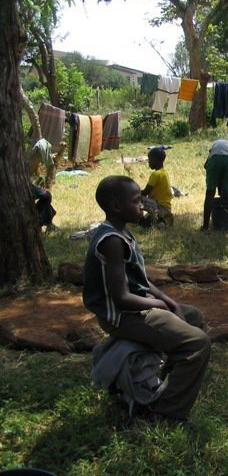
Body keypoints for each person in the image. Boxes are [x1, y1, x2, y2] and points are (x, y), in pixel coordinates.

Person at [83, 175, 211, 423]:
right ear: (116, 206)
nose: (142, 205)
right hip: (123, 317)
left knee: (194, 316)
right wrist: (161, 305)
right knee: (198, 343)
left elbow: (138, 280)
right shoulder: (112, 242)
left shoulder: (119, 232)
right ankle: (165, 412)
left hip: (133, 310)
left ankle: (165, 380)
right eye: (136, 201)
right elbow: (121, 297)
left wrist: (170, 302)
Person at [140, 146, 173, 227]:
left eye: (150, 160)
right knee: (149, 222)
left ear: (156, 160)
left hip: (158, 205)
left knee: (136, 200)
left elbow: (145, 192)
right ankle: (163, 219)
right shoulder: (164, 172)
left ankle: (138, 219)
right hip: (166, 207)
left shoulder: (155, 174)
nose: (149, 162)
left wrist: (133, 193)